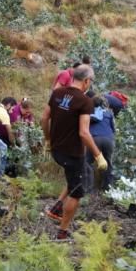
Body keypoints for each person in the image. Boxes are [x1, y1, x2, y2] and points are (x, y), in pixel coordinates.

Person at [41, 65, 107, 241]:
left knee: (74, 178)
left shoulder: (57, 93)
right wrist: (98, 155)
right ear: (86, 81)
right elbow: (84, 133)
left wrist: (48, 140)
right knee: (77, 192)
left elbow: (44, 118)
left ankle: (56, 208)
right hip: (72, 153)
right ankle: (62, 231)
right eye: (90, 82)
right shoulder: (85, 101)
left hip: (57, 150)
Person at [86, 95, 117, 192]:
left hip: (94, 139)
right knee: (108, 163)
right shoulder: (109, 113)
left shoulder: (89, 113)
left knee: (88, 162)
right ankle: (107, 188)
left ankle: (89, 188)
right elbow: (113, 129)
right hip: (109, 139)